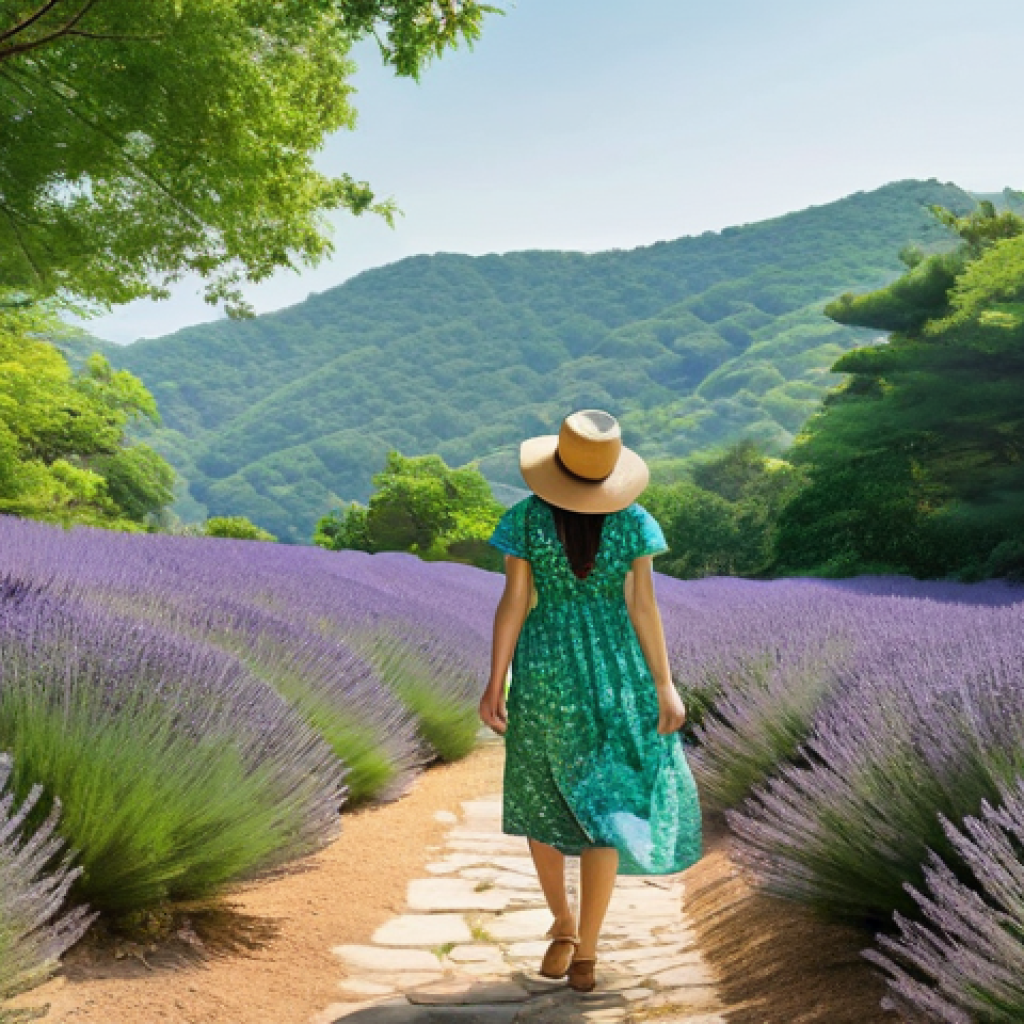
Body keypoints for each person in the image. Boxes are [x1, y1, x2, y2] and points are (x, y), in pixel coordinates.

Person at [479, 409, 702, 994]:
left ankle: (563, 925)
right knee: (607, 806)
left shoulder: (526, 518)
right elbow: (643, 606)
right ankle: (589, 953)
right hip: (617, 675)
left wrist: (495, 679)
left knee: (543, 793)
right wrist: (663, 682)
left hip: (547, 672)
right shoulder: (633, 522)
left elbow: (514, 600)